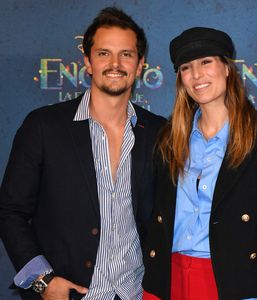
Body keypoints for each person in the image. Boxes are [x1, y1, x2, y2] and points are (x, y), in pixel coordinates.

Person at [0, 6, 165, 300]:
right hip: (72, 294)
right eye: (104, 53)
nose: (115, 63)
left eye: (126, 54)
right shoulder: (43, 126)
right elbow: (10, 211)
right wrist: (44, 281)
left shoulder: (159, 132)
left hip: (136, 293)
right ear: (88, 62)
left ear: (140, 65)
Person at [142, 27, 257, 300]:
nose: (197, 75)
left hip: (243, 283)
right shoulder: (168, 138)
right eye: (186, 67)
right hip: (171, 279)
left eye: (206, 62)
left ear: (227, 68)